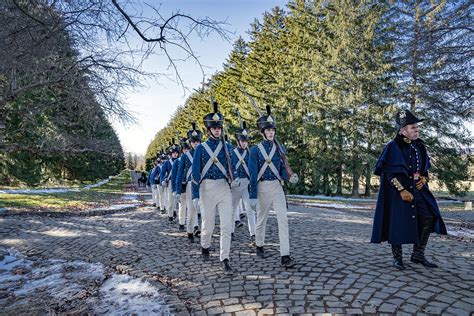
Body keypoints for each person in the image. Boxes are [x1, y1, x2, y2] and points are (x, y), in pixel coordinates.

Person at [371, 109, 447, 270]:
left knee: (428, 217)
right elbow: (389, 173)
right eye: (413, 128)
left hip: (419, 190)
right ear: (403, 130)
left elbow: (425, 170)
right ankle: (397, 258)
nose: (417, 130)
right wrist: (402, 190)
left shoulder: (419, 146)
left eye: (417, 128)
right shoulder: (393, 146)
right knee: (396, 222)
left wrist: (424, 179)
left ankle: (418, 255)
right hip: (399, 192)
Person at [248, 105, 296, 268]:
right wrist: (252, 195)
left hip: (277, 187)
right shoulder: (254, 150)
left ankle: (285, 255)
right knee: (261, 220)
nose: (270, 133)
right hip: (261, 188)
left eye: (272, 130)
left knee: (283, 220)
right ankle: (259, 244)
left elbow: (282, 169)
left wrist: (289, 177)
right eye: (267, 131)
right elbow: (253, 175)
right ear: (262, 132)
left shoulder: (278, 148)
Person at [192, 100, 236, 275]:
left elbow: (232, 167)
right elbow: (195, 174)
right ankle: (205, 246)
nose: (217, 130)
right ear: (208, 129)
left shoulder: (228, 146)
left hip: (224, 188)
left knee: (226, 226)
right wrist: (195, 195)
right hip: (206, 188)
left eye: (219, 127)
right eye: (214, 127)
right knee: (208, 225)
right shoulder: (201, 149)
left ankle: (225, 258)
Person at [230, 121, 256, 244]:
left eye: (246, 141)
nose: (245, 143)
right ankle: (230, 232)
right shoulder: (232, 153)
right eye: (243, 141)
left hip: (246, 183)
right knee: (232, 208)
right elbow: (230, 167)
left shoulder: (250, 153)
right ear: (238, 141)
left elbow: (253, 167)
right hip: (235, 184)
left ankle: (254, 233)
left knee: (250, 209)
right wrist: (234, 178)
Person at [177, 123, 203, 242]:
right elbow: (179, 173)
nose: (195, 143)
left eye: (197, 141)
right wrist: (177, 190)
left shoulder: (205, 152)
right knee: (192, 209)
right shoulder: (185, 156)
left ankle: (203, 231)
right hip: (190, 184)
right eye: (193, 142)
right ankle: (190, 231)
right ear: (190, 143)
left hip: (204, 184)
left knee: (205, 209)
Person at [160, 141, 180, 222]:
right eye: (173, 153)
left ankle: (174, 210)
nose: (175, 154)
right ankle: (170, 215)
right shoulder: (167, 163)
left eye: (176, 153)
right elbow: (162, 173)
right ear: (171, 154)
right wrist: (162, 181)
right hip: (170, 182)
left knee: (177, 199)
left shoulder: (180, 161)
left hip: (179, 182)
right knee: (170, 200)